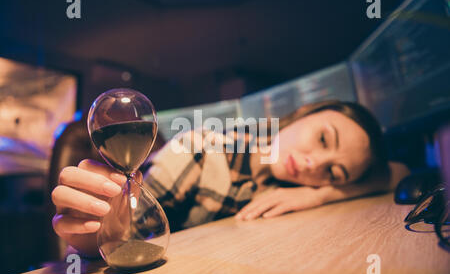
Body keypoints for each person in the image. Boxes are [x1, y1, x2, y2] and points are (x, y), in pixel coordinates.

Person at [51, 100, 410, 257]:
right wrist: (92, 229)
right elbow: (119, 233)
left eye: (334, 172)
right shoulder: (201, 150)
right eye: (322, 139)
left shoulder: (298, 186)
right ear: (303, 113)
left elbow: (398, 173)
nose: (314, 163)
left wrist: (320, 196)